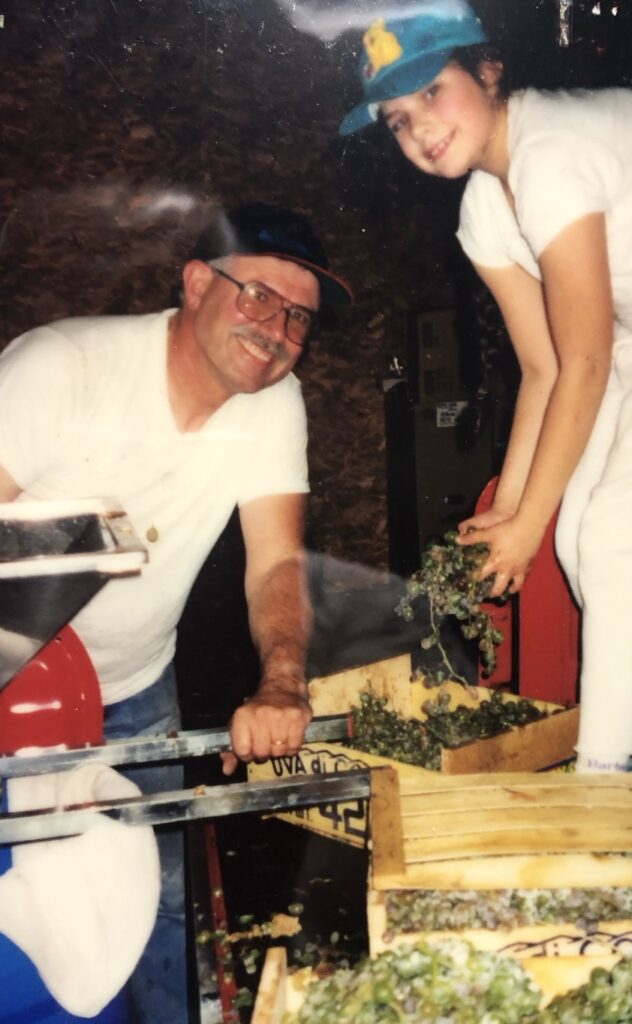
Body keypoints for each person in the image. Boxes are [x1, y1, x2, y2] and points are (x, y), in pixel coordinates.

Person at [0, 202, 352, 1022]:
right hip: (13, 699)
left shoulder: (274, 403)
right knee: (31, 917)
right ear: (197, 283)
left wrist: (283, 682)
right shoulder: (62, 367)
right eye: (259, 295)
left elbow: (275, 561)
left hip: (134, 689)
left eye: (300, 317)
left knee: (155, 897)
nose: (278, 329)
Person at [338, 2, 632, 774]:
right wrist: (511, 514)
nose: (419, 129)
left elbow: (588, 364)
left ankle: (604, 776)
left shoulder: (550, 155)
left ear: (490, 69)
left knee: (606, 538)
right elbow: (543, 365)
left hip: (616, 350)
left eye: (431, 93)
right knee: (574, 538)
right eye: (397, 120)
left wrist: (526, 519)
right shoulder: (482, 207)